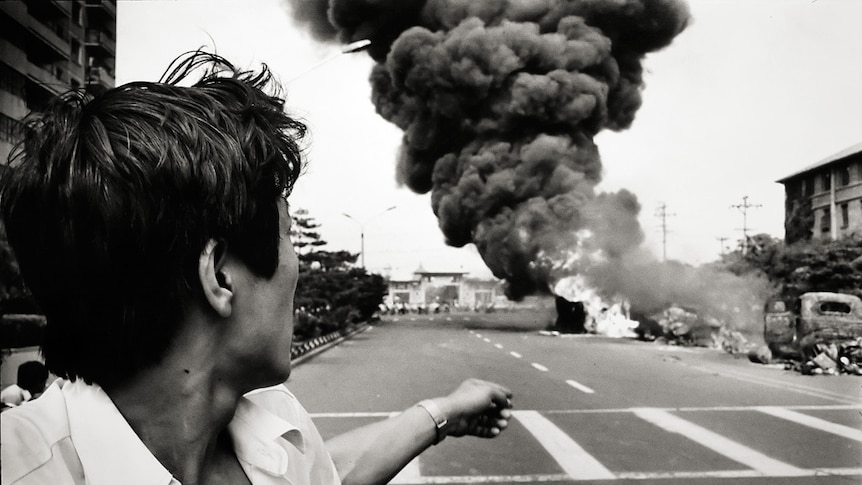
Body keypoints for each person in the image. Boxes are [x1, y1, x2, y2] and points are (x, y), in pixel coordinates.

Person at [0, 52, 512, 485]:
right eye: (287, 238)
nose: (297, 268)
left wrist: (444, 411)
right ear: (220, 275)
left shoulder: (274, 423)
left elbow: (323, 472)